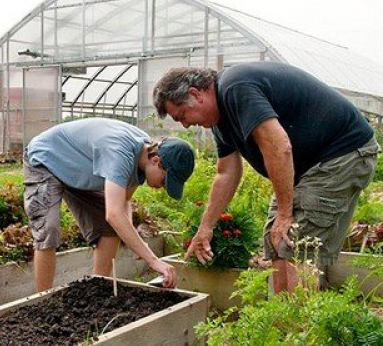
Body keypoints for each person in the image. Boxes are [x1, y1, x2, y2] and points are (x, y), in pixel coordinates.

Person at [153, 62, 380, 292]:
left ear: (195, 94)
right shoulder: (219, 120)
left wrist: (284, 212)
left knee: (295, 242)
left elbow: (279, 147)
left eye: (182, 115)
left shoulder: (235, 88)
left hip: (342, 153)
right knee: (276, 241)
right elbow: (226, 172)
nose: (186, 125)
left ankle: (299, 323)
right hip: (309, 166)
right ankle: (282, 319)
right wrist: (205, 228)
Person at [23, 117, 195, 292]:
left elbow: (124, 202)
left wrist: (135, 243)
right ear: (156, 160)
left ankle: (99, 290)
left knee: (111, 229)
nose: (163, 187)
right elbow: (114, 214)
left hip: (79, 169)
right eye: (165, 180)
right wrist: (152, 259)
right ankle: (43, 300)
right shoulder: (120, 153)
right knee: (48, 230)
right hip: (46, 160)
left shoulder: (142, 157)